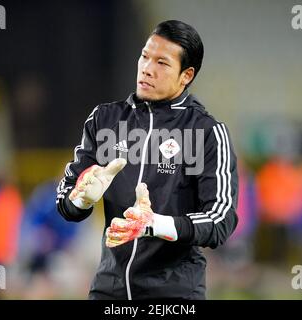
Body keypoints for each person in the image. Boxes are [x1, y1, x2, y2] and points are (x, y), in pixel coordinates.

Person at [56, 20, 239, 300]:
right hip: (109, 289)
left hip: (174, 293)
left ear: (186, 75)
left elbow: (220, 219)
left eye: (162, 63)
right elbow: (66, 203)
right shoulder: (105, 120)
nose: (147, 68)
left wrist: (154, 224)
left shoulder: (206, 132)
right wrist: (82, 198)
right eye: (145, 56)